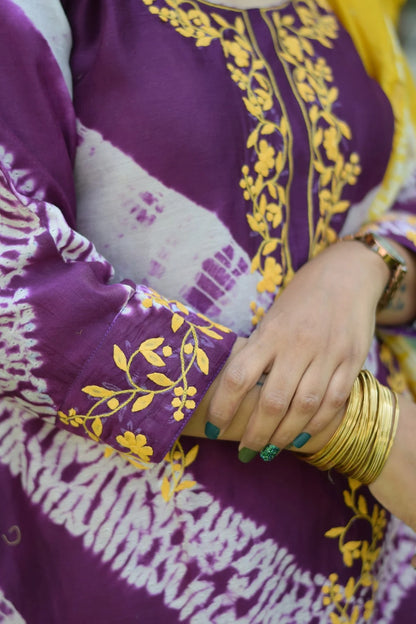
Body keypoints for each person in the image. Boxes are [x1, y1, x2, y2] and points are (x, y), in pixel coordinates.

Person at [0, 0, 415, 621]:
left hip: (376, 564)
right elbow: (20, 300)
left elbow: (402, 200)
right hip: (145, 568)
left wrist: (362, 265)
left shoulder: (351, 11)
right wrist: (353, 425)